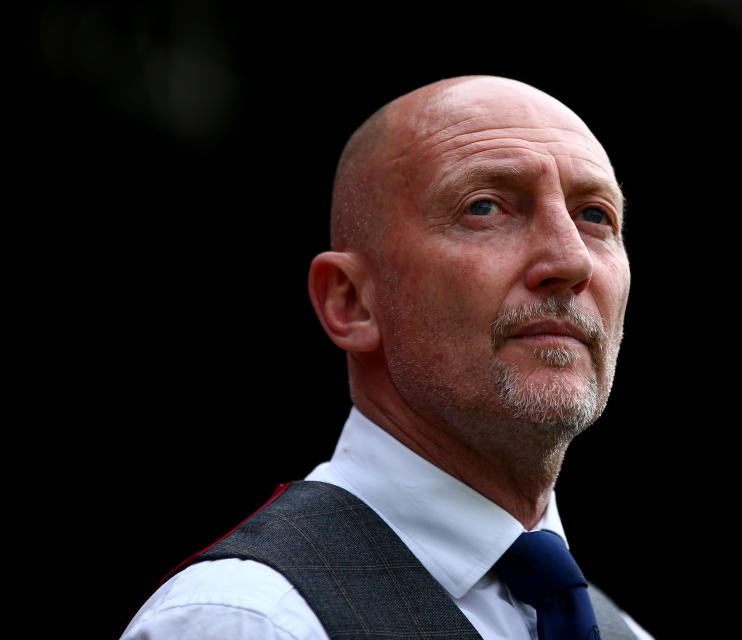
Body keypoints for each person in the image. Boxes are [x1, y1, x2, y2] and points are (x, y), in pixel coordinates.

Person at [120, 75, 652, 640]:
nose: (572, 260)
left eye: (595, 216)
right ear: (350, 302)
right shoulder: (250, 622)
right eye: (485, 206)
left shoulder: (623, 633)